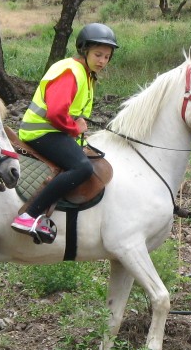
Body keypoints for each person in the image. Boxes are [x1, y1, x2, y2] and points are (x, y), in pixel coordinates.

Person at [12, 23, 117, 242]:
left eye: (107, 57)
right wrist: (73, 128)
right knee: (81, 167)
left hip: (55, 131)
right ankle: (30, 215)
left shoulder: (86, 73)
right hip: (42, 131)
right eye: (98, 54)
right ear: (84, 50)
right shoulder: (71, 71)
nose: (102, 61)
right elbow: (56, 112)